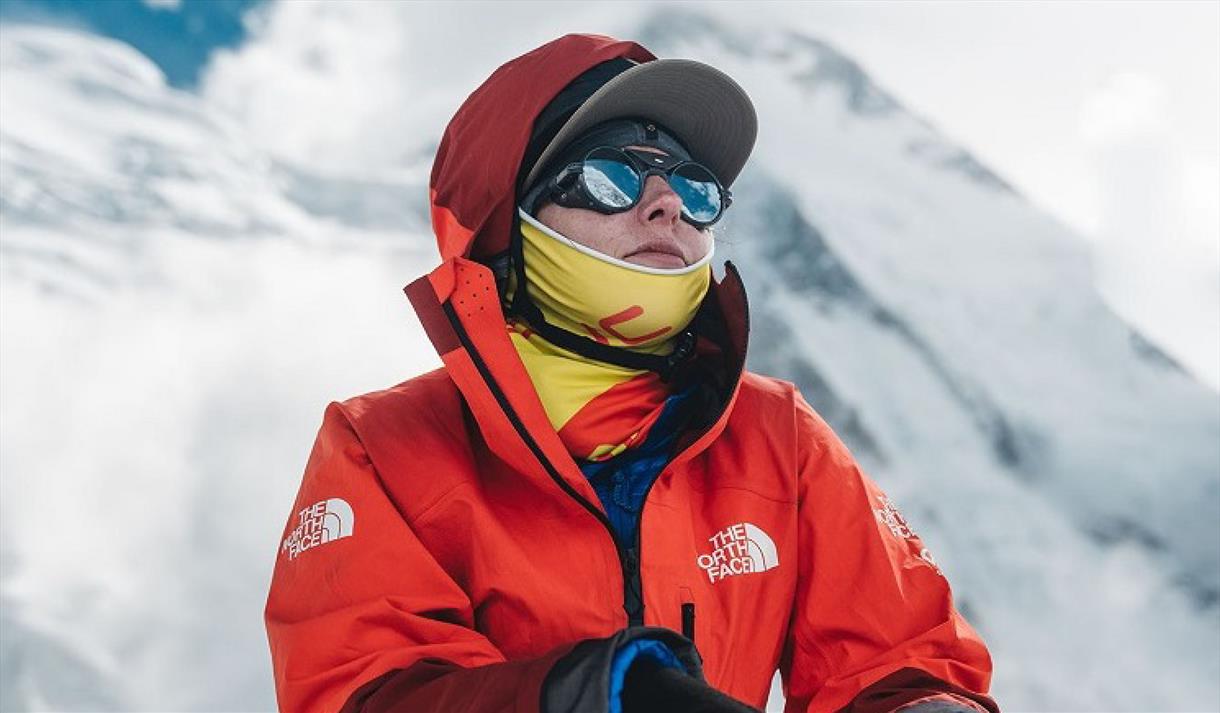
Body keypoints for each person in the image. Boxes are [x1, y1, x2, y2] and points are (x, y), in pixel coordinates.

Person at [265, 33, 1001, 713]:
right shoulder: (384, 446)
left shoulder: (778, 437)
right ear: (504, 220)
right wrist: (596, 695)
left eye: (696, 187)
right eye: (613, 176)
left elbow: (900, 661)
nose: (670, 204)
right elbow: (360, 688)